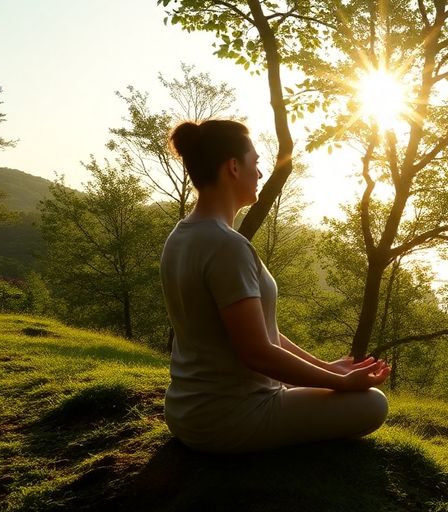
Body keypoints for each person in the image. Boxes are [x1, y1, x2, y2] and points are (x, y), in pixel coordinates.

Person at [160, 119, 390, 453]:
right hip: (230, 418)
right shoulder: (227, 246)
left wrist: (327, 367)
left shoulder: (182, 234)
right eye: (256, 162)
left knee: (344, 394)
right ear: (234, 167)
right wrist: (340, 382)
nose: (261, 172)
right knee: (373, 404)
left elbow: (259, 330)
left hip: (187, 411)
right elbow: (258, 353)